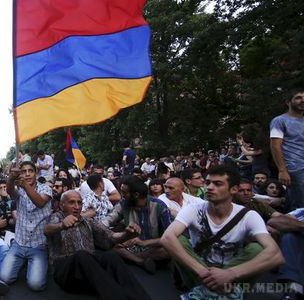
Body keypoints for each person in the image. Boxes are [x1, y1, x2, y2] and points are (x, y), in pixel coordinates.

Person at [161, 165, 284, 297]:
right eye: (207, 183)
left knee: (257, 248)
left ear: (234, 189)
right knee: (178, 240)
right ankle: (224, 293)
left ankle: (209, 293)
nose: (209, 187)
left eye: (218, 184)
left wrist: (230, 274)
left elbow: (276, 256)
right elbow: (167, 238)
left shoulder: (249, 215)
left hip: (234, 272)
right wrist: (202, 271)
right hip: (198, 272)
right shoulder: (193, 209)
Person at [44, 190, 151, 300]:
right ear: (62, 205)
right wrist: (61, 225)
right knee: (82, 255)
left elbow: (111, 236)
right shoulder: (55, 217)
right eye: (72, 202)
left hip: (89, 271)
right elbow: (47, 230)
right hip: (66, 273)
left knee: (111, 256)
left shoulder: (88, 221)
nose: (77, 206)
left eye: (79, 203)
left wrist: (127, 235)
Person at [0, 161, 52, 291]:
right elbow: (10, 190)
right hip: (19, 244)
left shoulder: (46, 188)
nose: (27, 174)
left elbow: (40, 202)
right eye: (23, 172)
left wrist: (25, 186)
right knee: (5, 278)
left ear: (36, 173)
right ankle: (24, 262)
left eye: (30, 171)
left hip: (38, 246)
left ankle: (31, 264)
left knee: (36, 285)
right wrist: (12, 177)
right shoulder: (19, 190)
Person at [109, 177, 171, 274]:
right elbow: (108, 220)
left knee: (168, 250)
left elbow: (169, 238)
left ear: (136, 195)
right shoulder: (123, 204)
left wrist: (144, 242)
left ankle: (134, 259)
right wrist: (124, 236)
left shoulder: (159, 206)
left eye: (124, 192)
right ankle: (141, 262)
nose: (122, 195)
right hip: (132, 246)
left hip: (154, 246)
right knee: (113, 245)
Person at [270, 88, 304, 212]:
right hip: (295, 169)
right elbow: (275, 146)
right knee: (300, 207)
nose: (302, 100)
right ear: (288, 102)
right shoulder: (279, 121)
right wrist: (282, 170)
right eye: (298, 97)